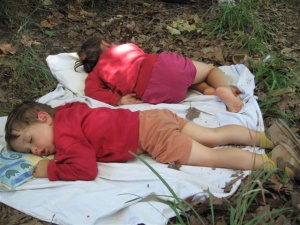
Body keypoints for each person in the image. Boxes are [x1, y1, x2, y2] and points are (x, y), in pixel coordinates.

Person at [5, 101, 300, 182]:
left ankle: (275, 164)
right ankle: (267, 138)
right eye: (29, 151)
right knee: (213, 136)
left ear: (45, 118)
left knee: (212, 157)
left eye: (32, 141)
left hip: (150, 136)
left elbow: (85, 168)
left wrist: (50, 168)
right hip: (153, 117)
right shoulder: (68, 112)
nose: (36, 150)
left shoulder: (66, 138)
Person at [74, 37, 243, 112]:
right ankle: (222, 88)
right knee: (210, 70)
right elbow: (141, 57)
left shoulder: (95, 75)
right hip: (163, 66)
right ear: (104, 43)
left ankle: (208, 91)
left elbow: (91, 92)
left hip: (154, 93)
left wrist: (118, 100)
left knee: (181, 81)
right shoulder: (124, 47)